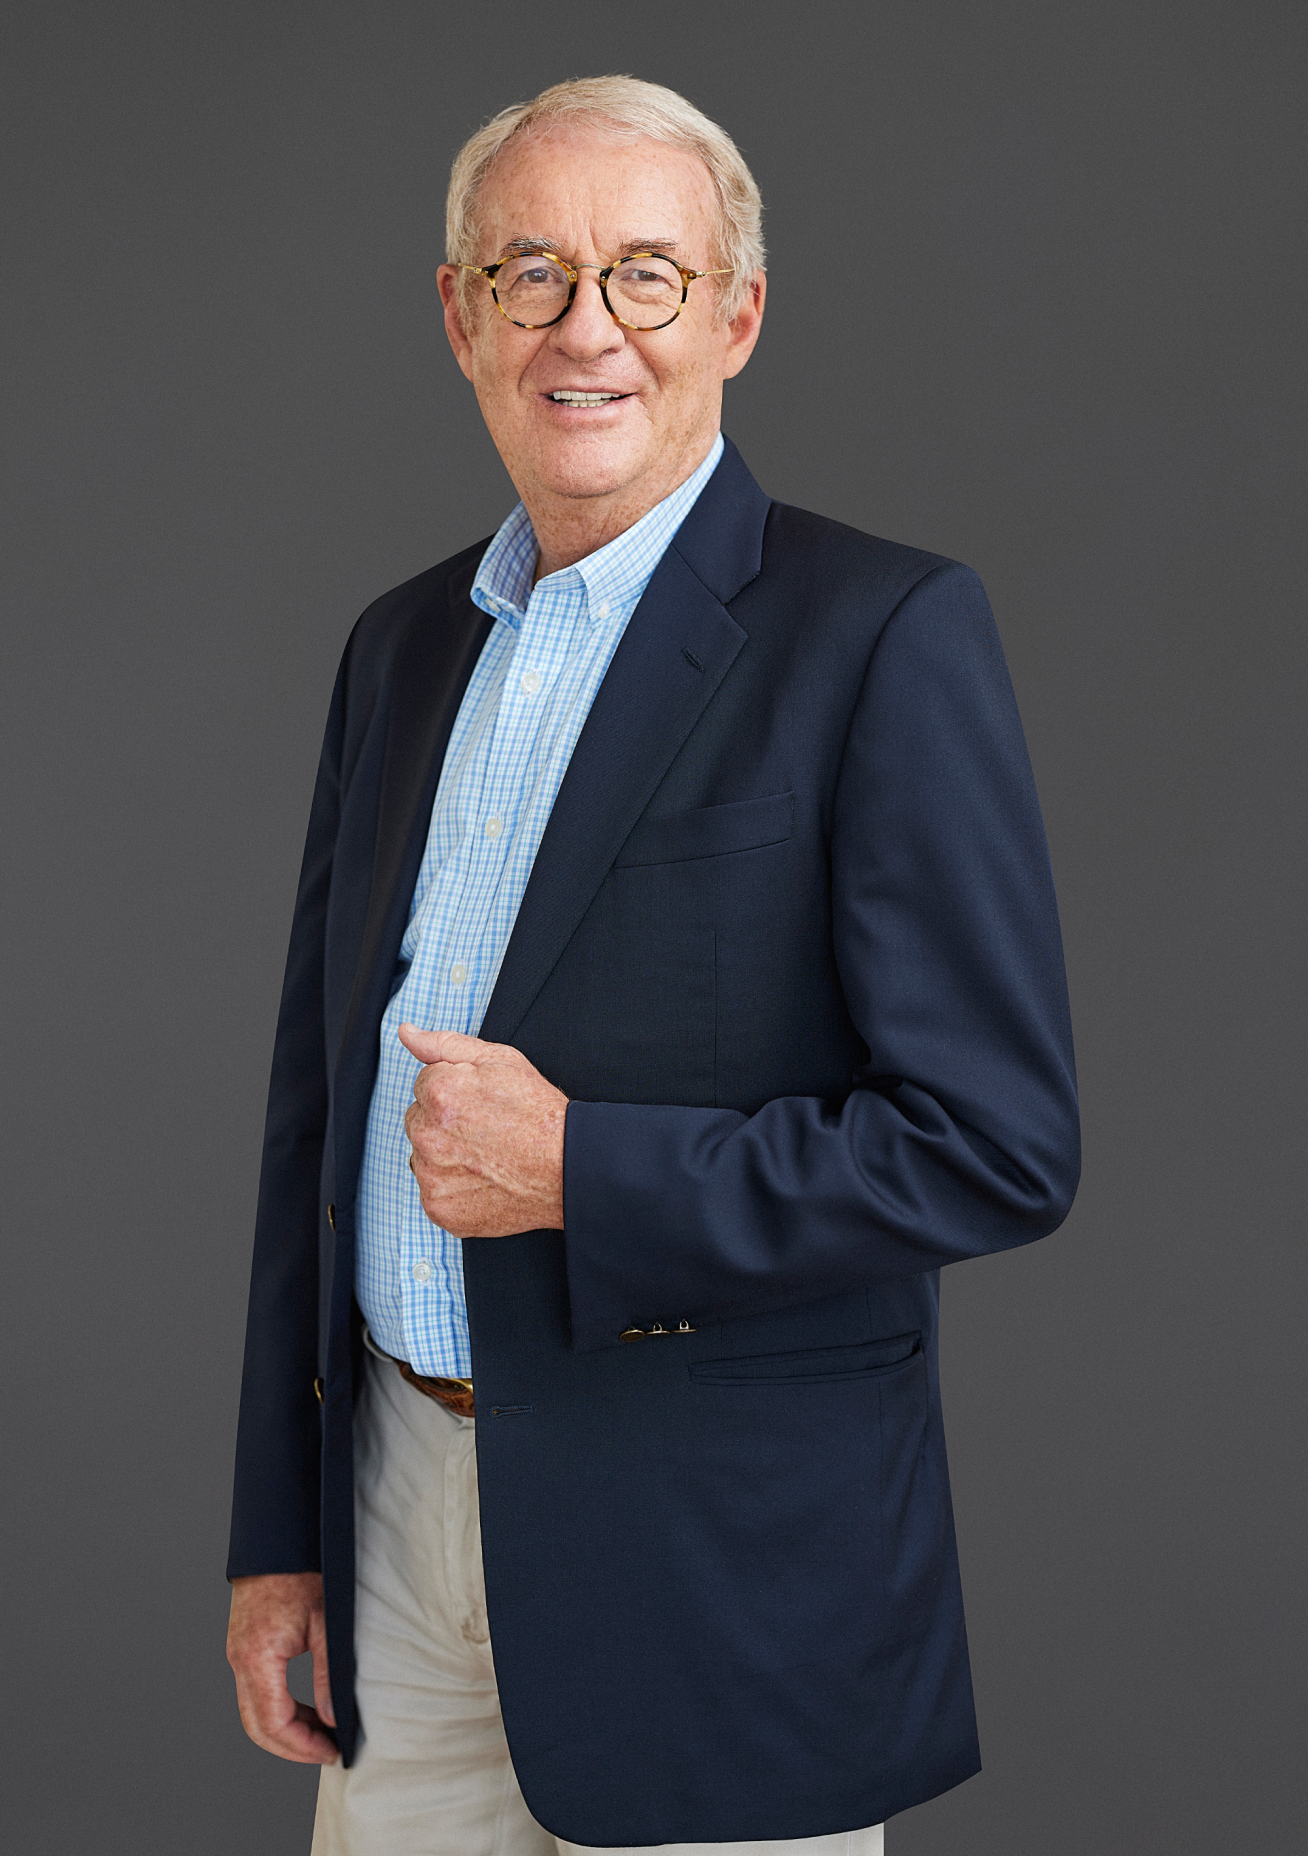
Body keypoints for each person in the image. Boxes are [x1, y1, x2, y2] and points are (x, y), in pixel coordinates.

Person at [225, 75, 1079, 1856]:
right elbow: (316, 1120)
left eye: (646, 276)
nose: (584, 328)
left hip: (725, 1577)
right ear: (461, 316)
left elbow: (998, 1141)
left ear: (737, 317)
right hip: (396, 1533)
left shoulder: (882, 635)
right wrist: (281, 1532)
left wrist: (581, 1170)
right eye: (530, 273)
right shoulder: (396, 652)